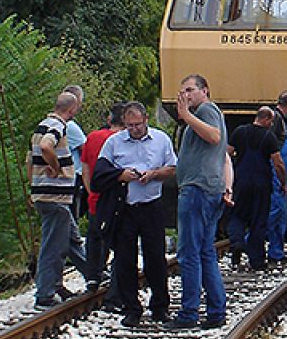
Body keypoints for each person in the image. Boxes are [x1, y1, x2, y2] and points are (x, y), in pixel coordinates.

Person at [99, 101, 178, 327]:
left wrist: (153, 174)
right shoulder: (114, 143)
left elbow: (172, 168)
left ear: (146, 121)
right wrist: (121, 175)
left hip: (151, 204)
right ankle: (131, 307)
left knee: (155, 258)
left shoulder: (161, 139)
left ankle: (160, 306)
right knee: (125, 259)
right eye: (129, 125)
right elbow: (100, 173)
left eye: (138, 125)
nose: (134, 129)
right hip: (125, 206)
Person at [167, 74, 229, 329]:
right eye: (183, 91)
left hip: (198, 190)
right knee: (204, 252)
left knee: (189, 252)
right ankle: (215, 311)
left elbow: (214, 137)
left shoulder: (206, 110)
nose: (186, 95)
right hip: (205, 189)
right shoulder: (200, 114)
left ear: (205, 91)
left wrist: (187, 116)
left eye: (190, 89)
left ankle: (189, 312)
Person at [30, 91, 91, 309]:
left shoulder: (41, 125)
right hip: (54, 195)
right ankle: (45, 294)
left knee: (70, 238)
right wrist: (56, 168)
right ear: (72, 109)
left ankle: (93, 274)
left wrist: (32, 188)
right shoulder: (57, 126)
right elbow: (47, 146)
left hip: (44, 194)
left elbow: (30, 159)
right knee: (53, 246)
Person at [226, 105, 286, 270]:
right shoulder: (269, 137)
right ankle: (257, 260)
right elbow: (278, 163)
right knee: (258, 220)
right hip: (261, 183)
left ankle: (237, 242)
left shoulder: (239, 132)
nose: (271, 125)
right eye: (271, 122)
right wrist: (283, 182)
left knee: (238, 215)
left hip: (241, 181)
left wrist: (225, 177)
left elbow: (227, 153)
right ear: (266, 119)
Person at [82, 102, 125, 298]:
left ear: (109, 119)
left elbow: (85, 168)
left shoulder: (92, 137)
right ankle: (115, 280)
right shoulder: (122, 140)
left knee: (94, 236)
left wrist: (91, 189)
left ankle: (93, 276)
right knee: (115, 238)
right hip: (114, 199)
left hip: (95, 197)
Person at [266, 91, 287, 263]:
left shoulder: (278, 119)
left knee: (278, 211)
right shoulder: (277, 120)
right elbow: (275, 153)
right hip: (277, 171)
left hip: (278, 170)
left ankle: (276, 249)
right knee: (277, 211)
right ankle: (268, 246)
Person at [62, 85, 89, 219]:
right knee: (72, 215)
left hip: (63, 177)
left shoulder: (54, 123)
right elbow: (86, 150)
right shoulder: (71, 127)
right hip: (73, 177)